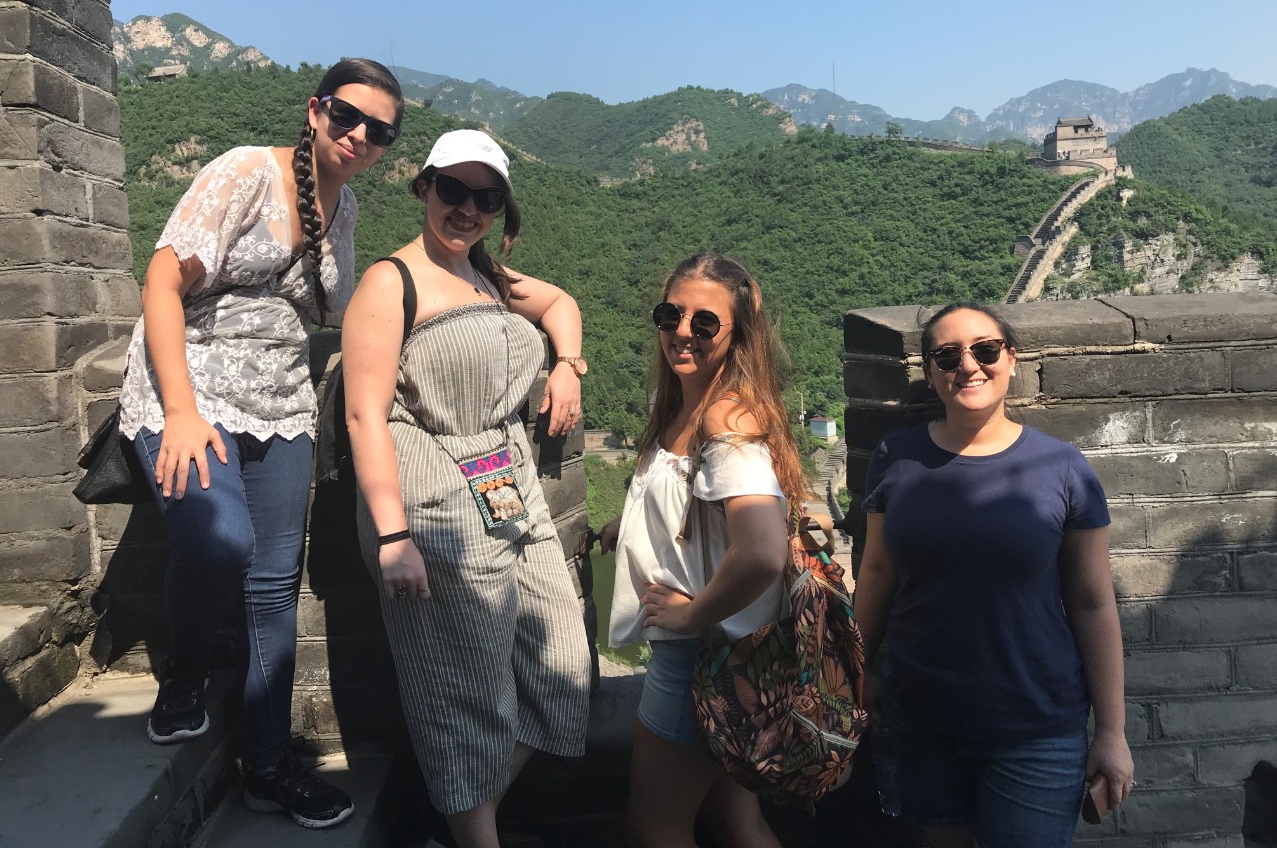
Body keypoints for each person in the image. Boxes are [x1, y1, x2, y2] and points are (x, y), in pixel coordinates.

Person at [119, 58, 404, 830]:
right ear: (315, 110)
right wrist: (180, 412)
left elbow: (333, 314)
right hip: (190, 393)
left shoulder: (341, 212)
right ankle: (184, 670)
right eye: (347, 117)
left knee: (275, 585)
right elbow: (160, 280)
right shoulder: (245, 172)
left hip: (279, 404)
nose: (359, 137)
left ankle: (269, 765)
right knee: (220, 544)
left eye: (379, 131)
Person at [341, 129, 591, 848]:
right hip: (433, 498)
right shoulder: (394, 282)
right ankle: (476, 836)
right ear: (424, 187)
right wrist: (393, 535)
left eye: (487, 198)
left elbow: (562, 303)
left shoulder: (490, 277)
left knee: (564, 666)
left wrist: (568, 364)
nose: (467, 209)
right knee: (466, 690)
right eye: (454, 190)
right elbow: (365, 413)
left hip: (507, 484)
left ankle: (451, 824)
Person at [852, 302, 1135, 848]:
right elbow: (879, 569)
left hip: (1035, 726)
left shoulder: (1063, 468)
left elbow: (1092, 601)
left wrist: (1112, 731)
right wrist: (855, 670)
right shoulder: (896, 456)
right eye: (947, 355)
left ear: (1011, 360)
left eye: (984, 350)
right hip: (921, 719)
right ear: (930, 371)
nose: (968, 366)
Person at [600, 252, 804, 848]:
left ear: (739, 333)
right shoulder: (691, 405)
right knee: (738, 824)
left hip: (698, 655)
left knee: (655, 827)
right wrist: (629, 522)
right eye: (671, 314)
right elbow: (698, 502)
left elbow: (762, 549)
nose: (682, 331)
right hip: (736, 660)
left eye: (705, 322)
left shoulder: (724, 415)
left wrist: (690, 613)